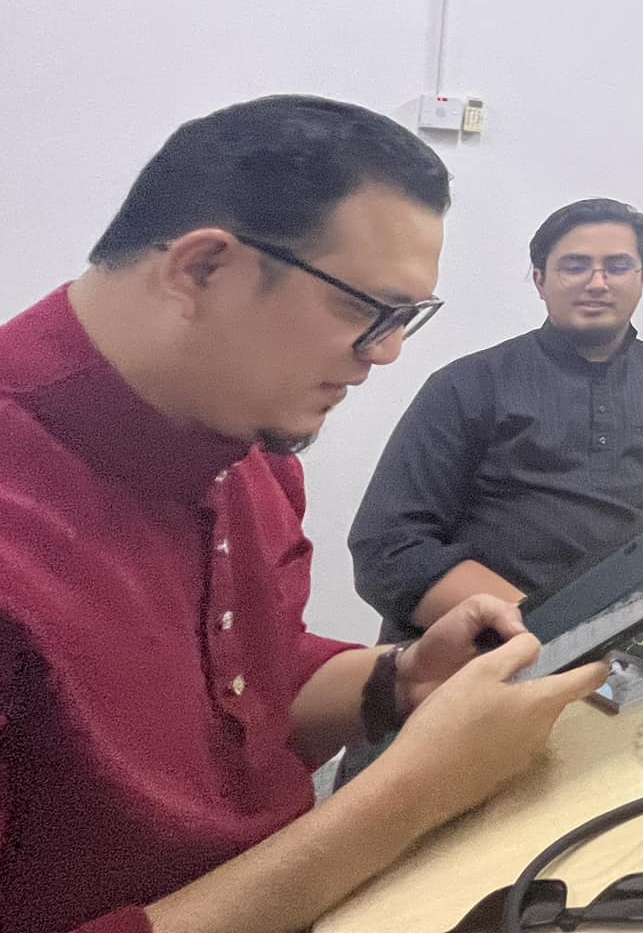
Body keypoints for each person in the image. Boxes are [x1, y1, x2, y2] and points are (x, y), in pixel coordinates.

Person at [0, 96, 607, 933]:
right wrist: (412, 794)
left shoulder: (246, 444)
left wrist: (400, 680)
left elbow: (251, 689)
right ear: (201, 270)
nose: (387, 353)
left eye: (407, 318)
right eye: (365, 310)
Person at [351, 198, 643, 639]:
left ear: (641, 279)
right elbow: (390, 547)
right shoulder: (468, 385)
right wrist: (545, 631)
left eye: (617, 266)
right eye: (575, 266)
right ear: (540, 279)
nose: (597, 282)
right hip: (492, 644)